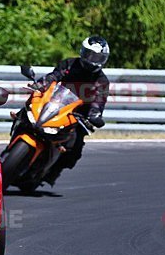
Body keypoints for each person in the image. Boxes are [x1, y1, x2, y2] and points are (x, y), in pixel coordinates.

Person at [30, 36, 111, 186]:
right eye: (89, 54)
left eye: (96, 56)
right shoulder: (69, 63)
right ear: (82, 52)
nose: (91, 59)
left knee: (75, 148)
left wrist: (94, 114)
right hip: (55, 102)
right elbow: (54, 75)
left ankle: (51, 173)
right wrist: (42, 83)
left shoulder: (101, 80)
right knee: (28, 109)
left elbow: (99, 100)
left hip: (77, 115)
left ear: (103, 59)